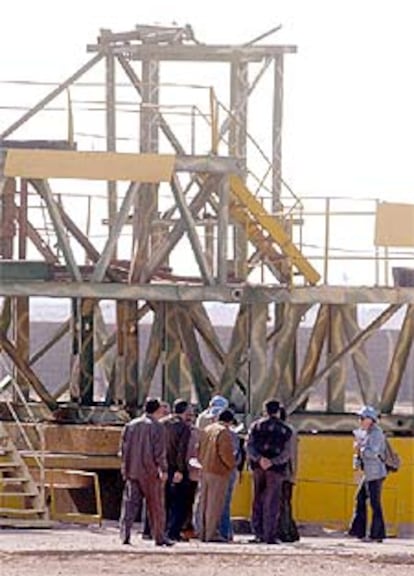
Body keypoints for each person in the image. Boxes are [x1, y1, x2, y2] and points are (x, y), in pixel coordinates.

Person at [119, 397, 173, 547]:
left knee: (130, 505)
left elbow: (123, 450)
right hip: (150, 472)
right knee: (155, 506)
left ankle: (125, 535)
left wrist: (125, 467)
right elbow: (159, 452)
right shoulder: (157, 427)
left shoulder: (130, 425)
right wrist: (163, 469)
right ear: (157, 409)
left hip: (132, 470)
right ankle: (159, 537)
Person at [246, 398, 292, 544]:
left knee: (257, 500)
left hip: (258, 468)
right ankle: (269, 535)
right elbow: (287, 453)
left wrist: (260, 459)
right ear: (278, 411)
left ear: (265, 410)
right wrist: (272, 462)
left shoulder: (256, 426)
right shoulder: (286, 430)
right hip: (276, 470)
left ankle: (257, 533)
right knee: (272, 502)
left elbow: (249, 446)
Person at [348, 405, 387, 542]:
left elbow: (373, 453)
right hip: (369, 473)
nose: (360, 420)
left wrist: (360, 448)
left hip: (375, 473)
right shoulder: (366, 433)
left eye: (363, 418)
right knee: (360, 499)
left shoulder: (376, 433)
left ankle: (377, 534)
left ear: (370, 419)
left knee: (375, 504)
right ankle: (359, 532)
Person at [198, 408, 237, 542]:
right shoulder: (224, 432)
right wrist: (232, 466)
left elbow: (199, 449)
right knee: (214, 505)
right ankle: (211, 534)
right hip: (218, 471)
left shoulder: (207, 429)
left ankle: (202, 533)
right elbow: (225, 454)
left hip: (205, 469)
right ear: (230, 421)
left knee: (204, 503)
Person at [162, 398, 192, 541]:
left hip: (162, 466)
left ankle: (158, 529)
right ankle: (173, 532)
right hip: (176, 468)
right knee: (179, 502)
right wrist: (180, 470)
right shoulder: (183, 427)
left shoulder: (162, 423)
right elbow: (181, 450)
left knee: (163, 500)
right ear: (185, 411)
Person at [277, 406, 300, 542]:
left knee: (283, 503)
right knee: (285, 503)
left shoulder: (286, 432)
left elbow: (289, 454)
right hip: (288, 472)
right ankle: (289, 530)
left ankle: (286, 531)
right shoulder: (290, 430)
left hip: (285, 472)